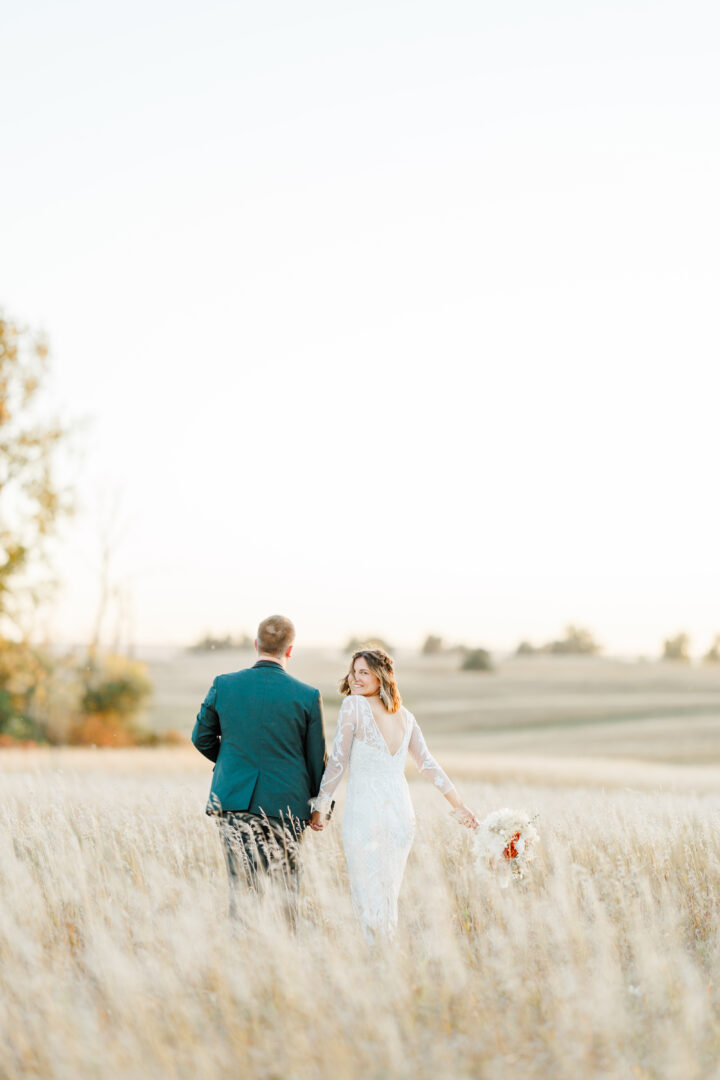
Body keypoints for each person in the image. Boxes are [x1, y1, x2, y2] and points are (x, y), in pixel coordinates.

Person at [309, 647, 478, 939]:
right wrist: (458, 805)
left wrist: (321, 807)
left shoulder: (354, 706)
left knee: (368, 897)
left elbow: (338, 760)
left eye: (364, 672)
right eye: (353, 671)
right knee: (386, 897)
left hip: (366, 814)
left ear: (381, 676)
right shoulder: (406, 716)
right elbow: (428, 764)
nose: (355, 678)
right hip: (401, 816)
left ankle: (377, 960)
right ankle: (386, 957)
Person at [192, 614, 326, 924]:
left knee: (242, 889)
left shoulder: (224, 684)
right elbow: (316, 759)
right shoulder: (308, 695)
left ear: (256, 644)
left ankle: (244, 959)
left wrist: (233, 764)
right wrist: (321, 807)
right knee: (287, 892)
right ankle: (287, 957)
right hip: (288, 806)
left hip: (235, 802)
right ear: (290, 650)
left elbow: (201, 738)